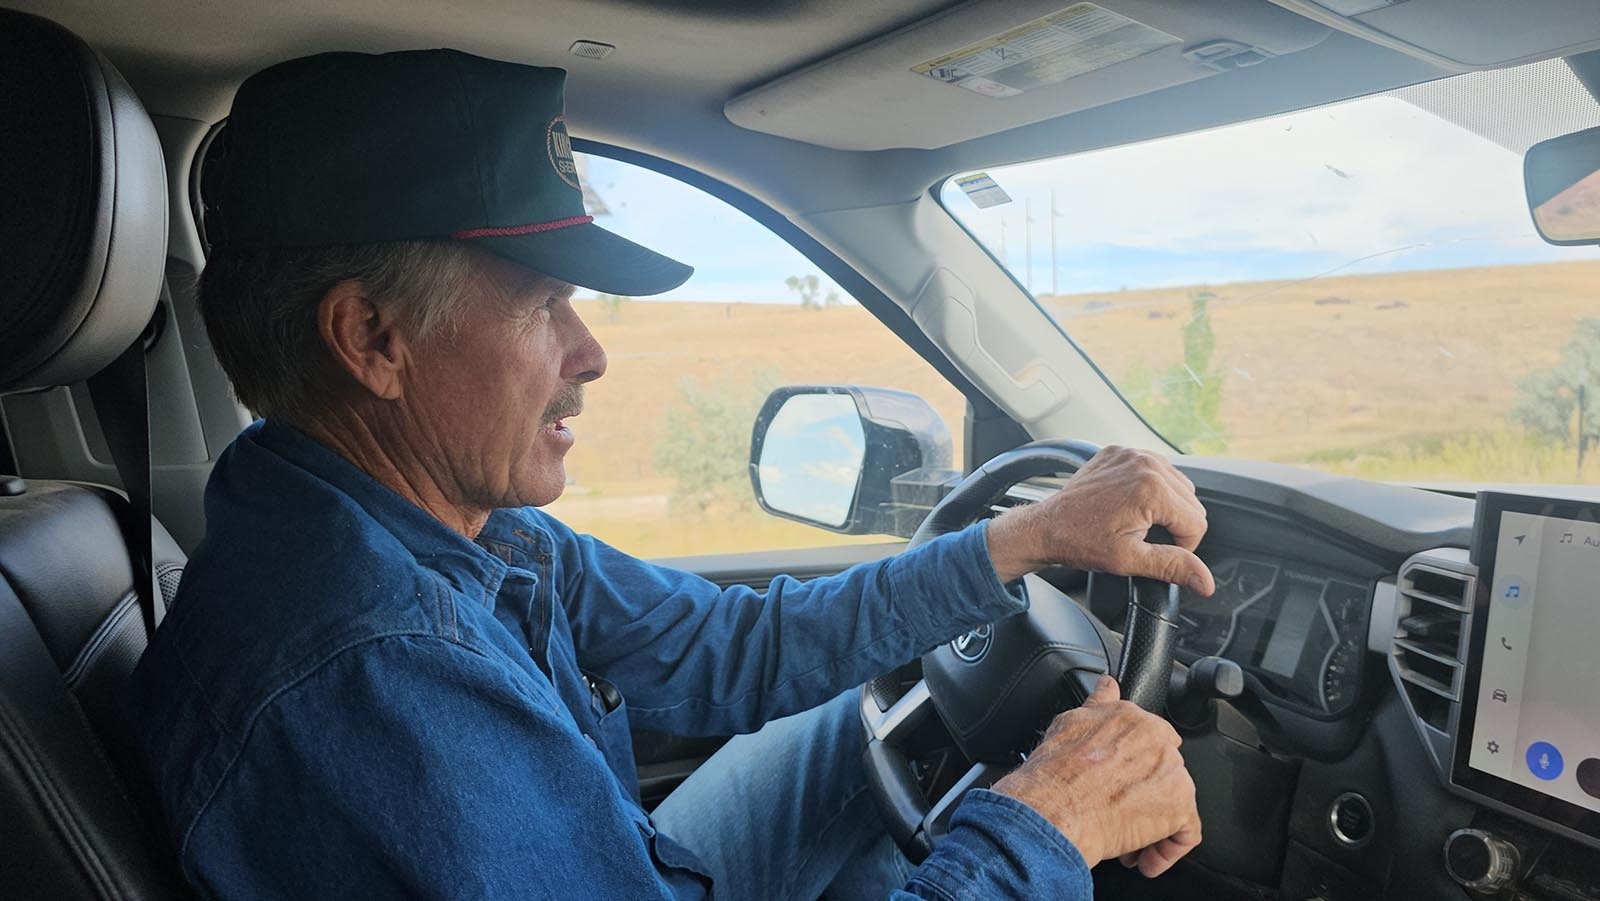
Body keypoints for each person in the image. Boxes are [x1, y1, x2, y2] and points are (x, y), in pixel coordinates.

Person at [130, 48, 1213, 899]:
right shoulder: (376, 667)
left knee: (853, 721)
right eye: (540, 300)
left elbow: (728, 647)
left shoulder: (410, 517)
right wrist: (1046, 825)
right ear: (371, 338)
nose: (590, 352)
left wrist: (1022, 540)